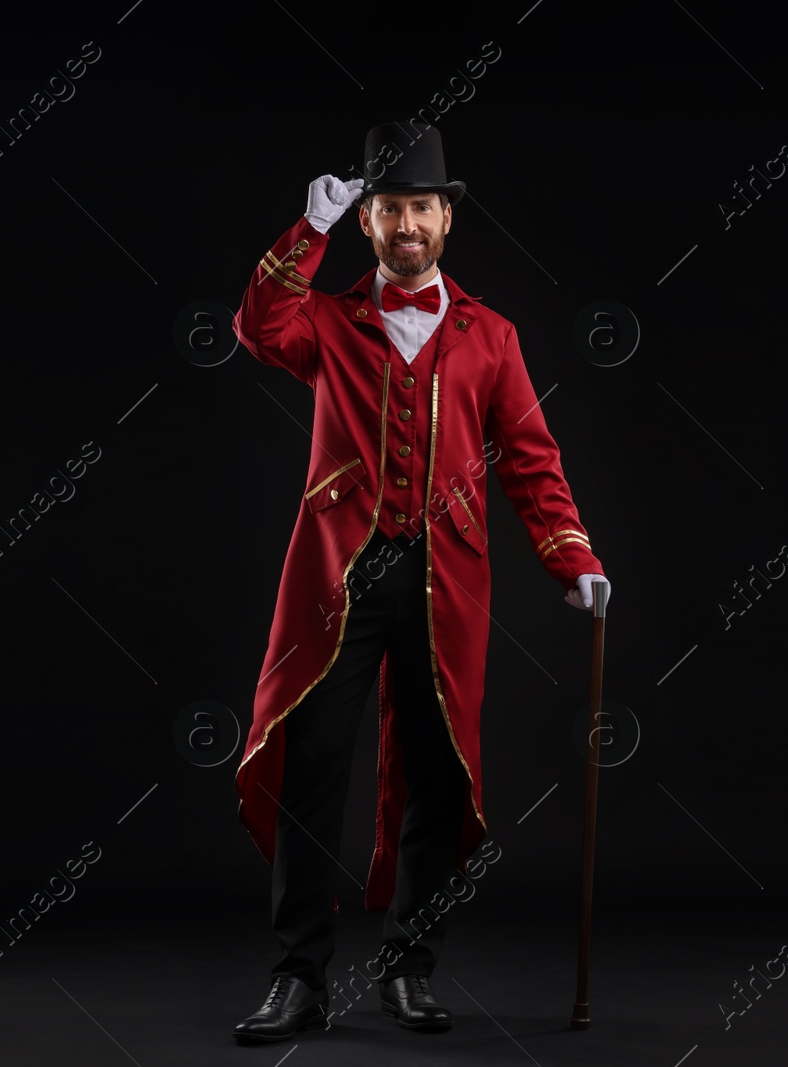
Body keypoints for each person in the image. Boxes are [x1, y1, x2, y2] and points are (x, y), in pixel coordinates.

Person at [230, 122, 611, 1044]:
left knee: (439, 775)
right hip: (338, 578)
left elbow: (529, 457)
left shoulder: (492, 335)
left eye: (423, 208)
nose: (408, 224)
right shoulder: (325, 319)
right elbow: (256, 326)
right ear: (369, 221)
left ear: (448, 219)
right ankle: (298, 978)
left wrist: (573, 554)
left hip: (448, 583)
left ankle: (410, 965)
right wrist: (304, 233)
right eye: (391, 208)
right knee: (312, 768)